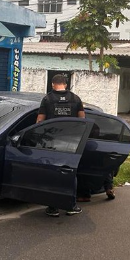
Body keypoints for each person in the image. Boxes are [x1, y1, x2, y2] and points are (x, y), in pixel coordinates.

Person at [37, 74, 85, 217]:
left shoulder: (47, 99)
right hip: (71, 143)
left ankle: (53, 207)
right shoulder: (76, 99)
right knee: (70, 173)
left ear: (53, 84)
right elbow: (83, 120)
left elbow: (40, 122)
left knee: (53, 173)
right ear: (66, 84)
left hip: (52, 143)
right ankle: (71, 206)